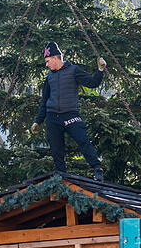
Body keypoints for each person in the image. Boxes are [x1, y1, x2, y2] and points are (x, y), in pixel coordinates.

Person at [31, 41, 107, 180]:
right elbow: (44, 102)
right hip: (52, 117)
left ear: (55, 58)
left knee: (83, 140)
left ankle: (97, 169)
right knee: (56, 150)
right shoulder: (49, 77)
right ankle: (62, 176)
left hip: (70, 114)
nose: (46, 65)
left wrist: (100, 70)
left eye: (48, 61)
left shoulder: (73, 70)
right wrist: (38, 121)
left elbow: (92, 82)